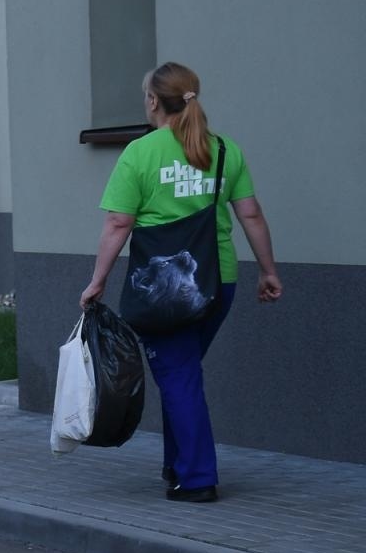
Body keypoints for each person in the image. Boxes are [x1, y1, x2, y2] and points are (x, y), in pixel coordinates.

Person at [79, 62, 281, 502]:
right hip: (217, 282)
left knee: (179, 375)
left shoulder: (140, 153)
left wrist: (98, 281)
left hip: (163, 288)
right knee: (181, 372)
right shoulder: (225, 150)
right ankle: (177, 466)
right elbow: (251, 215)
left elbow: (118, 223)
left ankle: (197, 478)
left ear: (153, 101)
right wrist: (268, 271)